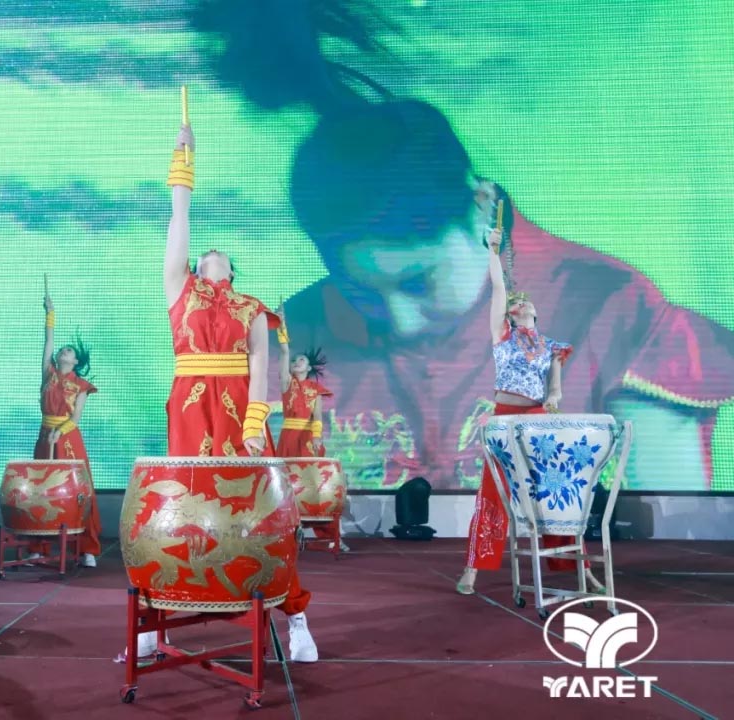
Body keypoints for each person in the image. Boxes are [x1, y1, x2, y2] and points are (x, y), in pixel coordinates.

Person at [281, 100, 734, 491]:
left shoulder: (612, 312)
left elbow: (672, 530)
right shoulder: (296, 333)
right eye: (359, 291)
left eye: (419, 282)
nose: (402, 322)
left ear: (481, 207)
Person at [126, 123, 317, 662]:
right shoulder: (179, 288)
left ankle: (297, 619)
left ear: (233, 269)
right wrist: (183, 162)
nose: (211, 253)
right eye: (204, 252)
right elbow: (179, 221)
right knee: (177, 507)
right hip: (190, 406)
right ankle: (151, 622)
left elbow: (260, 368)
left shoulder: (252, 308)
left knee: (262, 512)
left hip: (240, 415)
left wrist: (255, 426)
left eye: (222, 253)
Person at [455, 228, 604, 594]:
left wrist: (553, 397)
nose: (519, 303)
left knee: (556, 491)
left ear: (535, 312)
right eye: (514, 302)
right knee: (494, 493)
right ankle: (472, 569)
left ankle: (582, 570)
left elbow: (555, 387)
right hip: (505, 418)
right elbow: (498, 288)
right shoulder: (503, 335)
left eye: (526, 301)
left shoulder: (551, 346)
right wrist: (493, 250)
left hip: (537, 421)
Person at [29, 291, 102, 568]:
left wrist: (61, 431)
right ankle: (38, 546)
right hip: (45, 436)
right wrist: (50, 313)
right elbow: (48, 341)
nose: (63, 351)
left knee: (77, 490)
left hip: (68, 439)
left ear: (75, 362)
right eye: (63, 350)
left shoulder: (81, 386)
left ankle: (87, 549)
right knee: (41, 490)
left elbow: (77, 417)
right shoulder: (48, 373)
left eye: (69, 351)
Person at [274, 308, 346, 550]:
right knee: (286, 484)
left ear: (309, 367)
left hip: (307, 439)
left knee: (314, 485)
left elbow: (317, 417)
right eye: (295, 361)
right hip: (288, 438)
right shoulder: (287, 383)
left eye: (301, 360)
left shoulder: (315, 390)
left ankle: (332, 536)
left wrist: (316, 438)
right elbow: (284, 352)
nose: (296, 362)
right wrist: (281, 327)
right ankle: (285, 535)